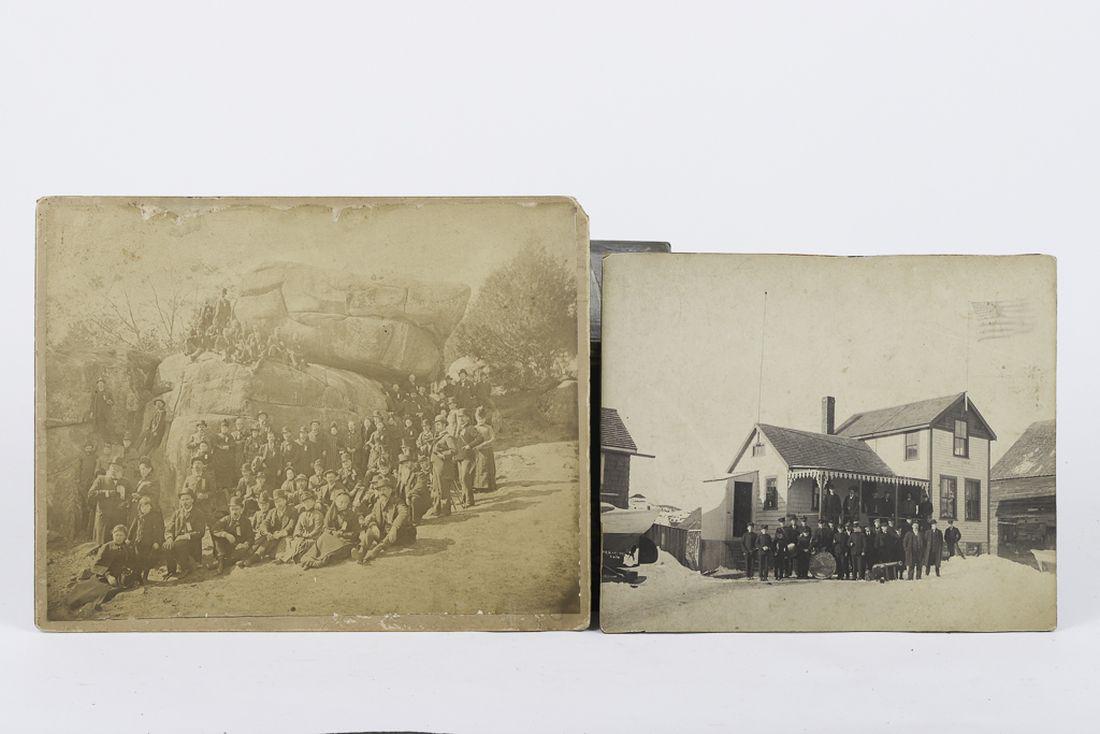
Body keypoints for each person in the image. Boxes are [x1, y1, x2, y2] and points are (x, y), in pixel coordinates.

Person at [356, 475, 416, 564]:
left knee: (388, 534)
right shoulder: (378, 503)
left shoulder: (397, 501)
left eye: (384, 490)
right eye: (379, 490)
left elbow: (404, 513)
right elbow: (373, 515)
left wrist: (394, 527)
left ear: (390, 490)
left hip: (399, 535)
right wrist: (373, 525)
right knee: (370, 530)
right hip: (385, 533)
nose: (381, 492)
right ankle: (362, 552)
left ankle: (375, 551)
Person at [300, 490, 359, 569]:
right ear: (335, 502)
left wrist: (342, 534)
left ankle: (317, 563)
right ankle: (308, 560)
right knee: (323, 538)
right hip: (333, 537)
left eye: (346, 502)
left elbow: (356, 532)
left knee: (330, 552)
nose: (343, 504)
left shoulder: (352, 514)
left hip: (346, 541)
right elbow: (325, 528)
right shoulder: (331, 513)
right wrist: (333, 532)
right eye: (340, 502)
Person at [163, 490, 207, 579]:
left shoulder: (199, 513)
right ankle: (171, 571)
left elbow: (200, 532)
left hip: (192, 543)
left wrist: (185, 536)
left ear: (192, 500)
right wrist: (169, 538)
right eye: (182, 500)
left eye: (187, 499)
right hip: (177, 542)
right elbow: (169, 528)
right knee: (166, 545)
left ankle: (185, 568)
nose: (185, 502)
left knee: (180, 544)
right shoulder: (177, 513)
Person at [276, 490, 324, 564]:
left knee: (304, 544)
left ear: (314, 502)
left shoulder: (318, 515)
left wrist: (306, 536)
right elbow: (297, 528)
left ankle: (291, 558)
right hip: (302, 537)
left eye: (309, 501)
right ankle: (284, 557)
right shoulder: (302, 515)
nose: (307, 504)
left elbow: (317, 530)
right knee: (290, 541)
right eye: (305, 502)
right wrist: (297, 535)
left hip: (313, 538)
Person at [250, 490, 296, 564]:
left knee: (284, 542)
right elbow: (265, 523)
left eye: (280, 501)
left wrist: (280, 533)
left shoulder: (292, 511)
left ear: (285, 500)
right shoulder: (272, 512)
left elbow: (291, 526)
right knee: (265, 539)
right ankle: (255, 556)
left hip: (286, 535)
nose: (278, 504)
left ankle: (278, 557)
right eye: (276, 502)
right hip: (274, 536)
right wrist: (267, 532)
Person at [87, 461, 127, 546]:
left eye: (117, 469)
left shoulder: (125, 482)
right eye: (112, 468)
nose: (114, 471)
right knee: (102, 544)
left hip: (118, 518)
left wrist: (125, 503)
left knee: (117, 544)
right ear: (109, 469)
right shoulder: (101, 479)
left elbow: (130, 496)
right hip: (104, 517)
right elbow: (91, 494)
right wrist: (107, 493)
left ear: (121, 471)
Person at [211, 496, 254, 572]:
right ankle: (221, 560)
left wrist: (245, 544)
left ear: (242, 509)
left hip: (239, 547)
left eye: (237, 509)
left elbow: (250, 537)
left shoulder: (246, 521)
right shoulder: (226, 519)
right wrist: (225, 534)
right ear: (229, 510)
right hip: (227, 547)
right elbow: (214, 529)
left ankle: (221, 563)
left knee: (242, 552)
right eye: (232, 509)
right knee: (218, 537)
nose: (234, 512)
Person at [128, 495, 164, 583]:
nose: (145, 508)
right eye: (142, 506)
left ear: (151, 507)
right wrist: (128, 538)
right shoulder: (138, 517)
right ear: (139, 507)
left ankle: (145, 577)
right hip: (138, 542)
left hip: (149, 543)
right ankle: (138, 577)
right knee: (138, 559)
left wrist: (157, 542)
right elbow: (132, 529)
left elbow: (158, 530)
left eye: (147, 506)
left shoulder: (154, 517)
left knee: (147, 560)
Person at [427, 419, 458, 518]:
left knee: (443, 488)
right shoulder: (437, 437)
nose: (437, 426)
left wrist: (442, 455)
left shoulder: (447, 437)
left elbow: (454, 450)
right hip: (435, 466)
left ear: (444, 425)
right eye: (436, 424)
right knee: (436, 488)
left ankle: (445, 510)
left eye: (439, 424)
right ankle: (437, 509)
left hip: (444, 467)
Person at [72, 440, 99, 541]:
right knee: (83, 505)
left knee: (90, 505)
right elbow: (78, 469)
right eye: (87, 447)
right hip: (82, 483)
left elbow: (96, 469)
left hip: (91, 483)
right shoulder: (82, 457)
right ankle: (82, 527)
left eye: (90, 447)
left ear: (92, 448)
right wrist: (78, 480)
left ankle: (89, 528)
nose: (88, 449)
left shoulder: (95, 457)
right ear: (84, 448)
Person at [455, 410, 480, 508]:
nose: (460, 419)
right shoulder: (459, 429)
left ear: (468, 418)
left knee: (466, 477)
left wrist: (470, 445)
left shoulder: (470, 428)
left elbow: (480, 438)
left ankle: (470, 500)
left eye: (462, 416)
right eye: (459, 417)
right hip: (460, 457)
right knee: (461, 479)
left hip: (468, 457)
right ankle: (464, 498)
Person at [471, 406, 497, 493]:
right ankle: (479, 486)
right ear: (475, 418)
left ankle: (489, 485)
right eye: (479, 418)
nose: (480, 420)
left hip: (487, 450)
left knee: (488, 467)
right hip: (477, 451)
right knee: (479, 468)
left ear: (485, 418)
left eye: (482, 418)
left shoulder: (488, 427)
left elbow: (493, 438)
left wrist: (485, 443)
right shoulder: (474, 428)